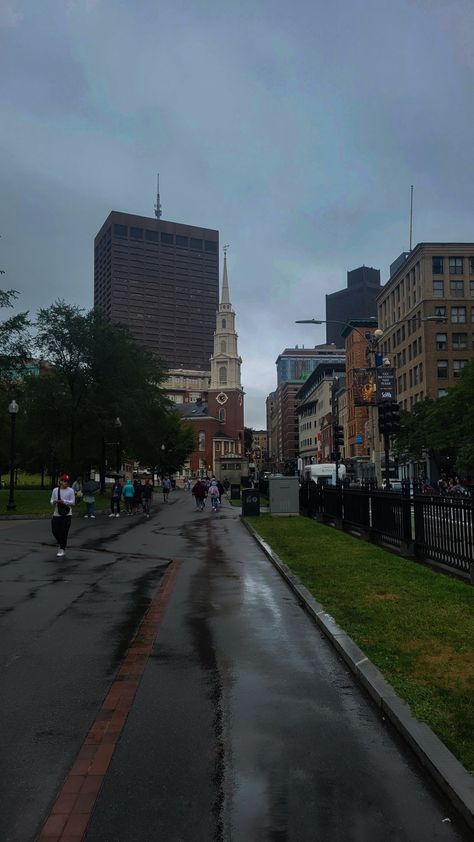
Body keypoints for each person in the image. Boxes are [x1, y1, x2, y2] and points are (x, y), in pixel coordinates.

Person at [50, 474, 75, 557]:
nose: (65, 483)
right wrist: (54, 502)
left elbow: (73, 502)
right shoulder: (55, 490)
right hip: (57, 513)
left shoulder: (70, 490)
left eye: (67, 481)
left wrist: (63, 501)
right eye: (64, 481)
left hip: (67, 514)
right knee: (55, 531)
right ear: (60, 481)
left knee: (64, 532)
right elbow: (51, 500)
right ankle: (61, 543)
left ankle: (62, 549)